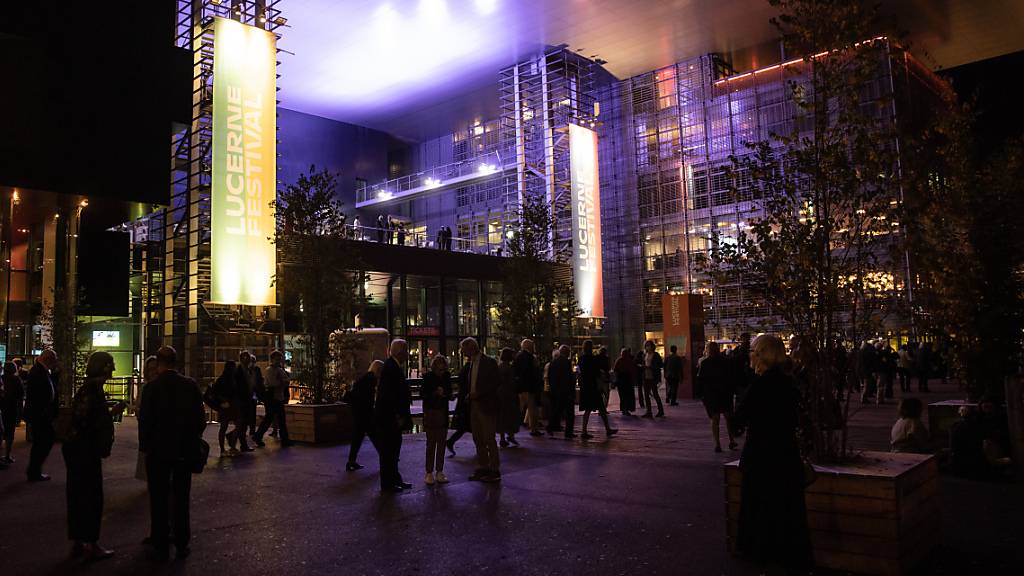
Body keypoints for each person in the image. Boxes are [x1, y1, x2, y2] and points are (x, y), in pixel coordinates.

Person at [734, 335, 812, 573]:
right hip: (785, 455)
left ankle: (763, 555)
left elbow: (738, 420)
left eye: (753, 352)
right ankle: (788, 555)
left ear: (761, 356)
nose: (749, 356)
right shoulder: (788, 383)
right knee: (786, 509)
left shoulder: (759, 386)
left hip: (761, 457)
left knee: (761, 510)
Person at [139, 346, 207, 561]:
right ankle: (181, 540)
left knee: (158, 497)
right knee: (181, 496)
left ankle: (160, 540)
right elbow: (200, 419)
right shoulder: (189, 386)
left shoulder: (151, 388)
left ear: (158, 362)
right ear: (176, 362)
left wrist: (145, 446)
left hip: (158, 451)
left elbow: (146, 422)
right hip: (183, 450)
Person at [62, 351, 124, 561]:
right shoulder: (94, 390)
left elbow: (81, 418)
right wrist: (112, 413)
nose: (111, 372)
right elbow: (91, 421)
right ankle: (90, 542)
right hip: (86, 453)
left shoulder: (85, 390)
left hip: (76, 452)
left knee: (77, 496)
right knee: (92, 497)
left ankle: (79, 541)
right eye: (110, 367)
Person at [460, 338, 501, 482]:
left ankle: (494, 469)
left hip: (486, 405)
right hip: (475, 404)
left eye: (464, 350)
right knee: (478, 437)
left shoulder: (488, 363)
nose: (463, 353)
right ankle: (483, 467)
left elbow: (495, 382)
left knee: (489, 438)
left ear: (471, 348)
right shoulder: (472, 363)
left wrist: (478, 393)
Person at [375, 340, 412, 492]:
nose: (407, 354)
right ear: (400, 352)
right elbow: (390, 396)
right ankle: (388, 483)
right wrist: (398, 415)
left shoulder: (390, 366)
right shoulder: (392, 368)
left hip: (389, 418)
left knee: (391, 451)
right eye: (406, 351)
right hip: (390, 419)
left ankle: (394, 480)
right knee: (390, 452)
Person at [25, 348, 60, 482]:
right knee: (43, 441)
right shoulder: (38, 372)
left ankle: (34, 470)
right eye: (54, 360)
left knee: (42, 442)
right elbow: (40, 395)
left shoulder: (41, 370)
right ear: (49, 359)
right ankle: (34, 471)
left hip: (41, 414)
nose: (56, 362)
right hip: (40, 415)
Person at [696, 341, 737, 452]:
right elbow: (731, 377)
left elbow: (701, 380)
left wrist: (701, 395)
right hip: (724, 393)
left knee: (715, 419)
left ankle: (717, 443)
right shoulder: (726, 361)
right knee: (728, 417)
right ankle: (731, 440)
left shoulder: (705, 363)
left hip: (711, 394)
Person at [578, 340, 618, 440]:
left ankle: (584, 430)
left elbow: (580, 373)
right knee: (601, 408)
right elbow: (597, 373)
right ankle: (607, 429)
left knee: (588, 409)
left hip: (586, 386)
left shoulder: (581, 359)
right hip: (593, 386)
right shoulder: (593, 359)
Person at [346, 360, 382, 471]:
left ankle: (351, 462)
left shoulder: (364, 378)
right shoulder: (371, 381)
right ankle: (386, 458)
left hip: (359, 413)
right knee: (375, 437)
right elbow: (368, 399)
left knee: (358, 438)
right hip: (365, 414)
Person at [421, 355, 452, 485]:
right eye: (440, 369)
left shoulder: (445, 377)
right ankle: (430, 472)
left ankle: (438, 471)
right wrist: (436, 394)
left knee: (440, 443)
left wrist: (445, 394)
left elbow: (449, 394)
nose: (441, 371)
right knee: (432, 443)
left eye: (443, 369)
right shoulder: (428, 378)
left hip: (440, 412)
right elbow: (424, 395)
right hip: (432, 412)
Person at [254, 350, 292, 447]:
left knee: (273, 419)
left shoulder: (278, 370)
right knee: (273, 419)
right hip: (272, 398)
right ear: (272, 359)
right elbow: (273, 383)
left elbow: (286, 380)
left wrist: (281, 381)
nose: (279, 361)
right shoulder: (270, 370)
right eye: (277, 359)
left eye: (280, 359)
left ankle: (258, 436)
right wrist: (282, 382)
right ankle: (283, 439)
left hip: (277, 397)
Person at [135, 356, 159, 481]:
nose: (153, 372)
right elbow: (138, 408)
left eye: (155, 368)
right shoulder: (145, 388)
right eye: (150, 369)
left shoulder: (162, 387)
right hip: (148, 433)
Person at [514, 339, 542, 437]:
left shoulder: (518, 356)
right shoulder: (530, 358)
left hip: (521, 387)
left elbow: (516, 371)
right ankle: (533, 429)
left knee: (520, 408)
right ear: (529, 347)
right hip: (529, 387)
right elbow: (532, 373)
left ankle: (512, 429)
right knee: (532, 408)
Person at [548, 345, 576, 438]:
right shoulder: (566, 362)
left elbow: (550, 377)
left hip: (556, 390)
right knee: (569, 413)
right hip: (565, 391)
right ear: (567, 352)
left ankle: (551, 426)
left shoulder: (553, 362)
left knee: (557, 410)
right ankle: (568, 432)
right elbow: (568, 378)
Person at [1, 361, 25, 464]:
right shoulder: (16, 380)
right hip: (11, 407)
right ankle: (7, 455)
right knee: (10, 432)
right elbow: (21, 394)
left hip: (1, 407)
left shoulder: (1, 378)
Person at [497, 348, 520, 447]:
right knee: (511, 415)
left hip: (500, 394)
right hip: (509, 394)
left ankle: (502, 437)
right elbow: (512, 382)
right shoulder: (510, 368)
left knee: (502, 415)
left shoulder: (499, 367)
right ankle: (511, 435)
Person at [232, 352, 255, 452]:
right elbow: (238, 386)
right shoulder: (239, 370)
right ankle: (241, 443)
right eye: (248, 358)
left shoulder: (247, 370)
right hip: (242, 400)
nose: (249, 360)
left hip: (246, 399)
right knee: (242, 422)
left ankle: (241, 442)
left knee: (244, 422)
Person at [641, 340, 666, 418]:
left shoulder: (656, 355)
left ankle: (660, 410)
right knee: (646, 394)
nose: (648, 347)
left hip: (653, 376)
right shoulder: (645, 355)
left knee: (655, 393)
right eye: (646, 346)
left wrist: (649, 367)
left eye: (649, 345)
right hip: (646, 376)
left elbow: (660, 365)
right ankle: (649, 411)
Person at [612, 348, 636, 416]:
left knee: (624, 395)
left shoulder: (620, 360)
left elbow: (615, 370)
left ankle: (625, 409)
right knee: (625, 395)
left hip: (624, 379)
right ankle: (626, 409)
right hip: (624, 379)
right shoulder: (626, 361)